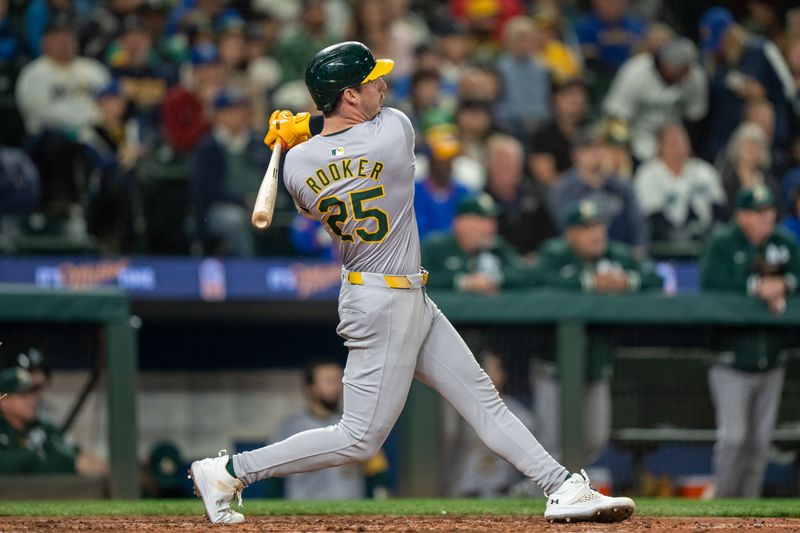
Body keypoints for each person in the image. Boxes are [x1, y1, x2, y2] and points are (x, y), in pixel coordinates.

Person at [189, 41, 635, 524]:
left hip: (390, 293)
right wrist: (310, 125)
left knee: (482, 397)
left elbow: (310, 190)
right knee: (359, 437)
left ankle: (560, 485)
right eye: (370, 82)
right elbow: (355, 135)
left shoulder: (297, 166)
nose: (382, 86)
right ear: (349, 96)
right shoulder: (395, 132)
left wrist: (302, 134)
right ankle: (230, 471)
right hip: (383, 303)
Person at [532, 199, 663, 464]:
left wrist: (628, 281)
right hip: (553, 367)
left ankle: (572, 494)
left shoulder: (616, 255)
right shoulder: (554, 254)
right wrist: (590, 281)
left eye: (599, 226)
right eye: (587, 228)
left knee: (595, 440)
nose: (597, 234)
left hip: (595, 367)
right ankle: (540, 499)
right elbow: (533, 279)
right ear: (571, 234)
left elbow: (656, 279)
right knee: (550, 445)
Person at [700, 185, 800, 498]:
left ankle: (747, 512)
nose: (766, 217)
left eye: (769, 210)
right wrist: (757, 286)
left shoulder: (784, 242)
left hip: (772, 359)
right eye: (758, 212)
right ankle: (722, 507)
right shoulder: (722, 244)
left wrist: (785, 282)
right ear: (741, 216)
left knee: (759, 443)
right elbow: (711, 287)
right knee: (734, 438)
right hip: (731, 359)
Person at [269, 360, 388, 500]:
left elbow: (376, 470)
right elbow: (274, 476)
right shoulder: (289, 426)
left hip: (351, 511)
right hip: (302, 511)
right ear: (311, 388)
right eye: (329, 381)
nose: (336, 387)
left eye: (339, 380)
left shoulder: (356, 423)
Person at [699, 7, 796, 161]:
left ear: (730, 34)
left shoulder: (761, 49)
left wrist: (763, 93)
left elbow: (789, 90)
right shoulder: (714, 64)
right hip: (726, 146)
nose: (718, 47)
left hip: (769, 142)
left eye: (720, 40)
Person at [189, 89, 270, 256]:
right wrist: (242, 201)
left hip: (261, 203)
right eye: (232, 110)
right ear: (219, 115)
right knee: (234, 221)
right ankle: (248, 270)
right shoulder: (208, 147)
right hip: (221, 207)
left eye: (242, 109)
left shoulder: (259, 143)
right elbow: (206, 190)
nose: (239, 114)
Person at [603, 37, 707, 162]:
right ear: (666, 66)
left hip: (672, 139)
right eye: (682, 69)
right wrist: (622, 152)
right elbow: (616, 117)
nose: (688, 73)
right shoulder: (634, 72)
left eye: (688, 67)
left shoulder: (695, 77)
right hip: (637, 136)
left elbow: (695, 118)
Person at [549, 125, 647, 255]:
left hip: (621, 257)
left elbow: (638, 226)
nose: (595, 153)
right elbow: (566, 231)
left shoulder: (622, 187)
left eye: (599, 147)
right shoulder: (564, 189)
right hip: (580, 258)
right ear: (575, 155)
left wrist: (638, 251)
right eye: (588, 149)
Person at [452, 351, 534, 497]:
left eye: (494, 369)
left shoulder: (520, 414)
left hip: (503, 492)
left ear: (504, 374)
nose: (488, 374)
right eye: (483, 369)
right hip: (465, 491)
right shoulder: (461, 410)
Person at [0, 367, 108, 476]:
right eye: (23, 395)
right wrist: (35, 459)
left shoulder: (43, 428)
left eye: (33, 393)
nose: (32, 400)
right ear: (3, 400)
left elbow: (78, 458)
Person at [633, 123, 726, 248]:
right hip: (666, 242)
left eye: (682, 140)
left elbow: (719, 207)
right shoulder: (648, 173)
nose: (678, 145)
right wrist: (680, 237)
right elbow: (653, 216)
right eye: (673, 142)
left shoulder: (704, 170)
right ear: (660, 146)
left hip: (706, 237)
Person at [422, 193, 535, 294]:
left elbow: (526, 274)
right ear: (462, 223)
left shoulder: (496, 247)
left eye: (492, 220)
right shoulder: (436, 247)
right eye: (483, 220)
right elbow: (416, 279)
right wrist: (463, 282)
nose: (491, 227)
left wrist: (495, 278)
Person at [484, 135, 556, 259]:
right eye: (501, 164)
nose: (506, 170)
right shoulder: (481, 201)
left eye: (511, 164)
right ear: (490, 167)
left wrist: (539, 255)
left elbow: (550, 236)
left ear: (520, 167)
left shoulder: (536, 196)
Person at [413, 123, 471, 243]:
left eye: (450, 160)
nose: (447, 166)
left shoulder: (463, 192)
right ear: (430, 160)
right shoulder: (413, 192)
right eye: (441, 160)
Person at [528, 78, 589, 187]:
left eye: (580, 94)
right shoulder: (543, 134)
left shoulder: (592, 131)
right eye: (569, 94)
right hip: (558, 193)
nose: (576, 99)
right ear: (556, 99)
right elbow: (544, 175)